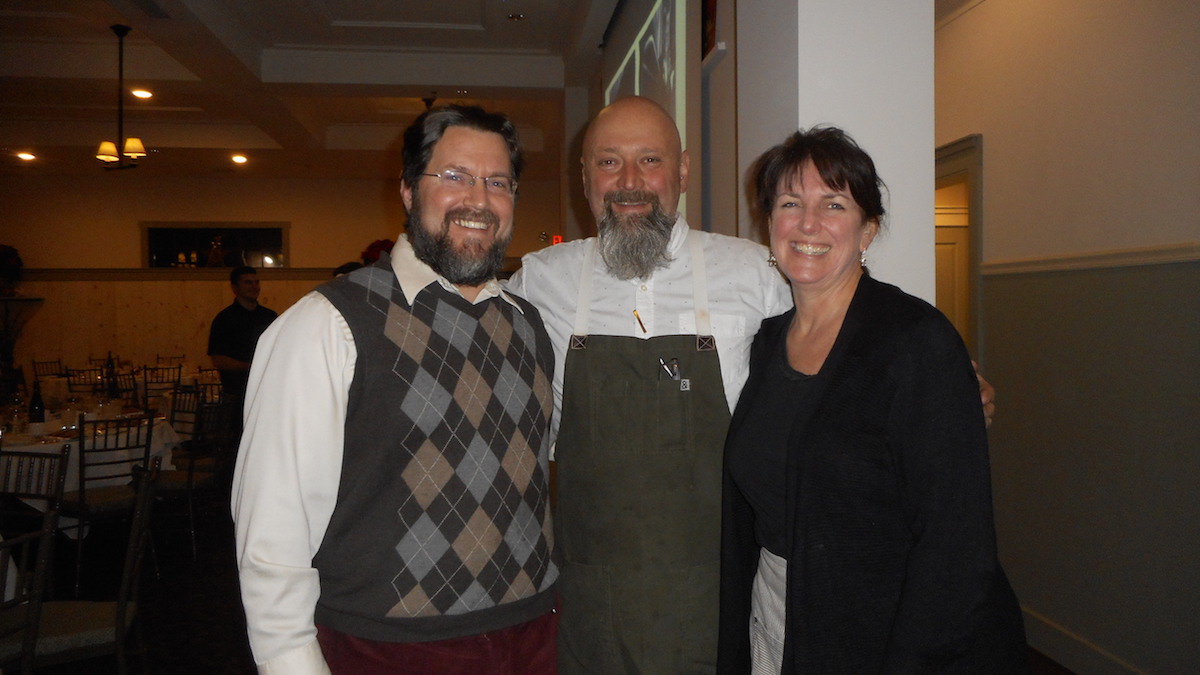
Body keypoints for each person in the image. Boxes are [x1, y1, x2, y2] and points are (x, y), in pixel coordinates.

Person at [507, 96, 997, 673]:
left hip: (727, 596)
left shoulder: (755, 274)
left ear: (683, 172)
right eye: (609, 162)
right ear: (584, 176)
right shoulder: (537, 284)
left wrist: (952, 385)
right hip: (598, 606)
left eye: (650, 160)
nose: (630, 181)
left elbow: (856, 334)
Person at [231, 105, 559, 674]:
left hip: (531, 638)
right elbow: (271, 535)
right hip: (385, 650)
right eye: (454, 176)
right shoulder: (326, 326)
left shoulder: (531, 327)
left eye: (498, 182)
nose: (479, 199)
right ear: (409, 190)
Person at [718, 127, 1028, 673]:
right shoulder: (767, 343)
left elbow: (957, 544)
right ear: (770, 224)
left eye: (833, 204)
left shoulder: (915, 341)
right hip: (776, 612)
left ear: (868, 230)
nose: (808, 223)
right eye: (790, 203)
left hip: (885, 629)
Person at [207, 266, 277, 397]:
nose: (254, 287)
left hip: (266, 389)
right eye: (248, 282)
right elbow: (218, 359)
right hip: (236, 391)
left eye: (256, 282)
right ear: (234, 288)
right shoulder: (224, 319)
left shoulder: (270, 317)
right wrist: (251, 367)